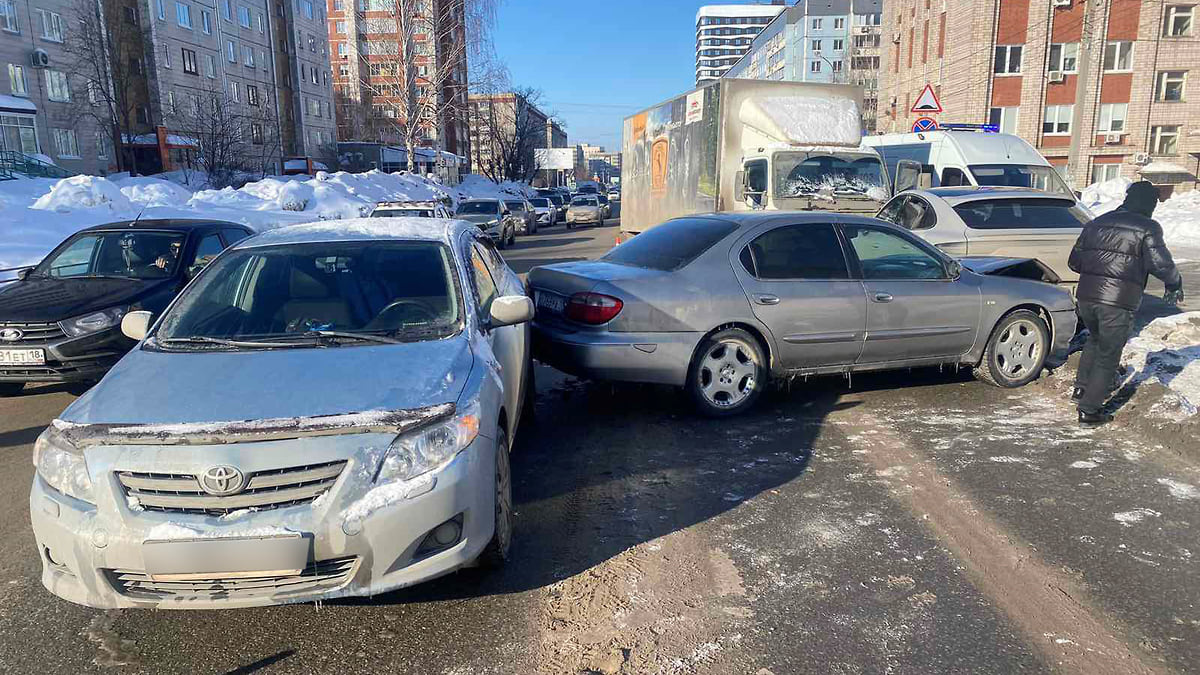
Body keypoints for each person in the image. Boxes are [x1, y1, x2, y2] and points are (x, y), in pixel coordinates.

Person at [1067, 181, 1184, 426]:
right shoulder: (1147, 227)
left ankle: (1081, 389)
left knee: (1095, 340)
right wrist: (1174, 283)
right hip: (1117, 302)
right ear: (1149, 203)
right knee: (1108, 354)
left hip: (1087, 297)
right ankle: (1089, 411)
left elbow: (1074, 262)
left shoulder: (1097, 222)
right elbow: (1160, 264)